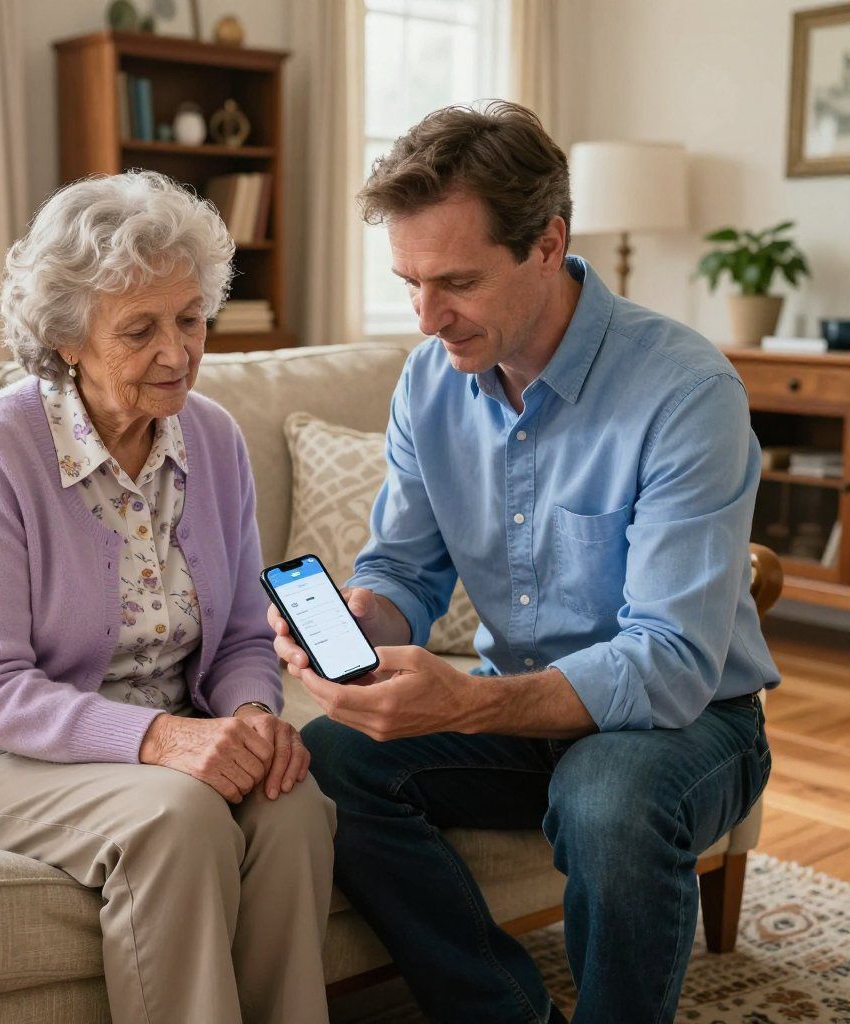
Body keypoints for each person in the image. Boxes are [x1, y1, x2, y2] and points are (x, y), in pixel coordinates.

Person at [270, 103, 778, 1024]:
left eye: (456, 281)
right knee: (336, 759)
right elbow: (406, 574)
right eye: (409, 282)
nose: (427, 318)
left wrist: (464, 701)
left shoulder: (686, 391)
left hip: (694, 723)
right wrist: (354, 622)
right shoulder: (431, 380)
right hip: (523, 711)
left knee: (607, 799)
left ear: (548, 244)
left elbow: (668, 662)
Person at [0, 171, 335, 1024]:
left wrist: (247, 719)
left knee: (292, 803)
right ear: (67, 342)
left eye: (190, 318)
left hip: (169, 741)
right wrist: (162, 739)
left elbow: (241, 634)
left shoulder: (215, 438)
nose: (178, 352)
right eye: (140, 329)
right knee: (181, 818)